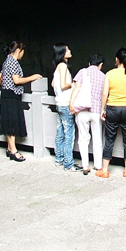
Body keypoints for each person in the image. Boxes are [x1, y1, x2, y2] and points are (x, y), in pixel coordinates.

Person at [98, 47, 126, 179]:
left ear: (117, 59)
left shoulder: (109, 74)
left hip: (112, 108)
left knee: (109, 139)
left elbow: (104, 94)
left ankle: (105, 170)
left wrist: (102, 109)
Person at [0, 41, 42, 162]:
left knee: (9, 122)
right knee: (12, 124)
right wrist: (33, 77)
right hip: (11, 96)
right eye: (22, 52)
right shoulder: (13, 62)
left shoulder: (6, 60)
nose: (23, 54)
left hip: (6, 94)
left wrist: (6, 86)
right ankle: (14, 151)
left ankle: (9, 148)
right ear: (18, 50)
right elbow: (16, 80)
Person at [69, 53, 106, 175]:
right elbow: (104, 94)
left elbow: (76, 88)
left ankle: (85, 165)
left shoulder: (83, 72)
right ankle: (98, 165)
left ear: (89, 63)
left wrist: (71, 103)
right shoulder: (103, 76)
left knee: (83, 138)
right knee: (97, 139)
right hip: (96, 111)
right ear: (101, 65)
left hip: (82, 110)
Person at [52, 43, 81, 172]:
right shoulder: (63, 66)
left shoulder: (58, 66)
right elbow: (63, 85)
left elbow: (53, 84)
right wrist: (74, 84)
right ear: (62, 53)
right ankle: (68, 164)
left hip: (59, 102)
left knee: (60, 133)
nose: (69, 51)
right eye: (67, 50)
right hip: (65, 103)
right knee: (69, 134)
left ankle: (59, 159)